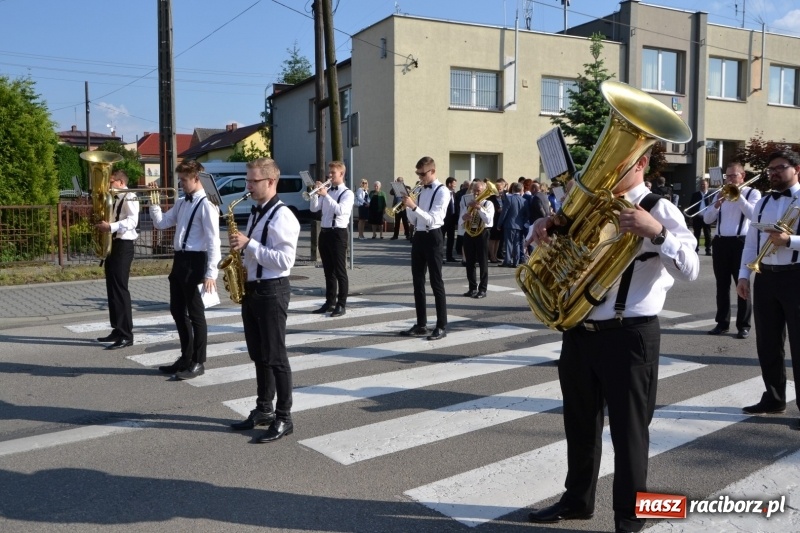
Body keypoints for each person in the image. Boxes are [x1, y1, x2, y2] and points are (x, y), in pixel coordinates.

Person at [527, 151, 699, 533]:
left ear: (640, 163)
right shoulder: (588, 206)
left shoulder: (660, 207)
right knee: (580, 424)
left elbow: (691, 267)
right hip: (579, 332)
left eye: (616, 161)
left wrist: (656, 232)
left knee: (630, 433)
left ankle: (630, 517)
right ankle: (577, 500)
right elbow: (555, 251)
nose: (603, 168)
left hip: (629, 334)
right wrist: (541, 227)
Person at [228, 158, 300, 443]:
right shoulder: (256, 212)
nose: (248, 186)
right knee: (259, 355)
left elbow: (285, 261)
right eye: (248, 180)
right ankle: (264, 409)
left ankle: (284, 417)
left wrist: (250, 245)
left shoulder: (284, 217)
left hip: (273, 290)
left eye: (253, 181)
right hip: (254, 290)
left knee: (276, 357)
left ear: (271, 182)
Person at [736, 150, 800, 423]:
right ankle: (774, 398)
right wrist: (742, 275)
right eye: (770, 169)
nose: (773, 173)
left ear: (796, 169)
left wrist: (790, 242)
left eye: (779, 168)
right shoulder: (761, 202)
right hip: (766, 277)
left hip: (796, 276)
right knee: (768, 343)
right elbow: (751, 242)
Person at [151, 160, 221, 379]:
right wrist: (154, 203)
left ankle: (198, 361)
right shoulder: (182, 202)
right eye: (179, 179)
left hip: (196, 261)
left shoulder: (207, 204)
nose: (180, 184)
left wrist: (211, 272)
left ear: (197, 178)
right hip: (180, 260)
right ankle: (185, 356)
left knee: (196, 314)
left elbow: (214, 241)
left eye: (184, 180)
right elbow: (161, 224)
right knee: (177, 310)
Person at [704, 163, 760, 339]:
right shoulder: (721, 193)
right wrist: (717, 204)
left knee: (741, 284)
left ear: (742, 176)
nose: (729, 179)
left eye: (733, 176)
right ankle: (722, 323)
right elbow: (707, 219)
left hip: (740, 242)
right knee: (721, 285)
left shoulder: (753, 193)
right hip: (720, 242)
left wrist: (739, 197)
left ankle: (743, 325)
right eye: (727, 176)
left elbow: (753, 215)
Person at [401, 156, 449, 341]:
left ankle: (441, 325)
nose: (420, 178)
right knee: (417, 281)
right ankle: (421, 324)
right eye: (418, 174)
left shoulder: (442, 191)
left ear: (433, 171)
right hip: (419, 236)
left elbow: (433, 219)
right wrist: (407, 206)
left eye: (423, 174)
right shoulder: (420, 190)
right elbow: (414, 220)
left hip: (434, 236)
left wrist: (413, 207)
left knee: (436, 282)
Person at [94, 169, 138, 350]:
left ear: (120, 182)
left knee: (120, 289)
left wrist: (111, 226)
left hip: (124, 246)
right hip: (114, 244)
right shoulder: (113, 197)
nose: (107, 185)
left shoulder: (130, 196)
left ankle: (127, 334)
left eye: (110, 182)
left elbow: (133, 221)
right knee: (111, 289)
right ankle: (117, 329)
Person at [310, 161, 352, 318]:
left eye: (332, 173)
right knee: (328, 271)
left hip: (338, 234)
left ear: (341, 174)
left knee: (340, 271)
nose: (329, 175)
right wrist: (314, 194)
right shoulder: (327, 191)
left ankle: (341, 304)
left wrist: (326, 195)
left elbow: (340, 211)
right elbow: (314, 209)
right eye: (329, 172)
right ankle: (330, 301)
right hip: (325, 233)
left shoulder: (347, 193)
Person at [459, 180, 494, 298]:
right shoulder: (468, 204)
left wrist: (479, 208)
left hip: (482, 233)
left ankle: (483, 290)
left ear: (484, 191)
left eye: (478, 190)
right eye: (474, 190)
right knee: (470, 262)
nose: (476, 193)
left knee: (483, 262)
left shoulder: (488, 204)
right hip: (469, 234)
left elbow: (489, 220)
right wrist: (464, 217)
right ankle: (472, 288)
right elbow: (459, 222)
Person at [499, 182, 526, 267]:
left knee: (509, 243)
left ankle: (507, 261)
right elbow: (527, 214)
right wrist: (523, 222)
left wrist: (499, 224)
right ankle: (516, 262)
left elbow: (504, 213)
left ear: (513, 189)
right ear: (521, 190)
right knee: (517, 244)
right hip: (519, 225)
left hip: (509, 224)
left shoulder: (509, 198)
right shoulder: (524, 200)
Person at [690, 178, 713, 255]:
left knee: (708, 234)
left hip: (707, 217)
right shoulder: (695, 195)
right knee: (696, 234)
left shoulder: (711, 195)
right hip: (697, 217)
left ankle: (708, 250)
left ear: (708, 185)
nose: (703, 186)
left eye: (704, 184)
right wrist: (691, 217)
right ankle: (695, 249)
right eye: (701, 185)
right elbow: (691, 206)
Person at [442, 177, 458, 262]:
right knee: (441, 239)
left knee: (451, 239)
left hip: (452, 220)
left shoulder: (454, 194)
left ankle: (449, 256)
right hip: (444, 220)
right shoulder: (443, 193)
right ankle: (440, 257)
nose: (455, 185)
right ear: (449, 184)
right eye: (454, 184)